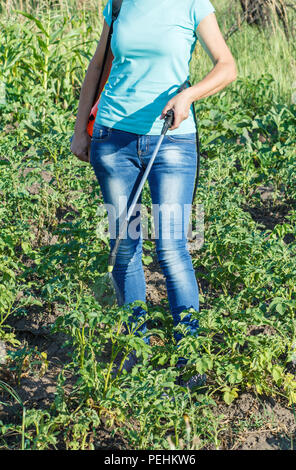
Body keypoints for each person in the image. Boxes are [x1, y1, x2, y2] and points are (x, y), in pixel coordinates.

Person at [70, 0, 237, 389]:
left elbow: (227, 65)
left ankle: (189, 359)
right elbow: (97, 67)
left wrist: (189, 95)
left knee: (172, 248)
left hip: (172, 142)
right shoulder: (119, 2)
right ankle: (136, 357)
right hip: (113, 141)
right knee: (124, 246)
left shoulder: (194, 4)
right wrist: (81, 129)